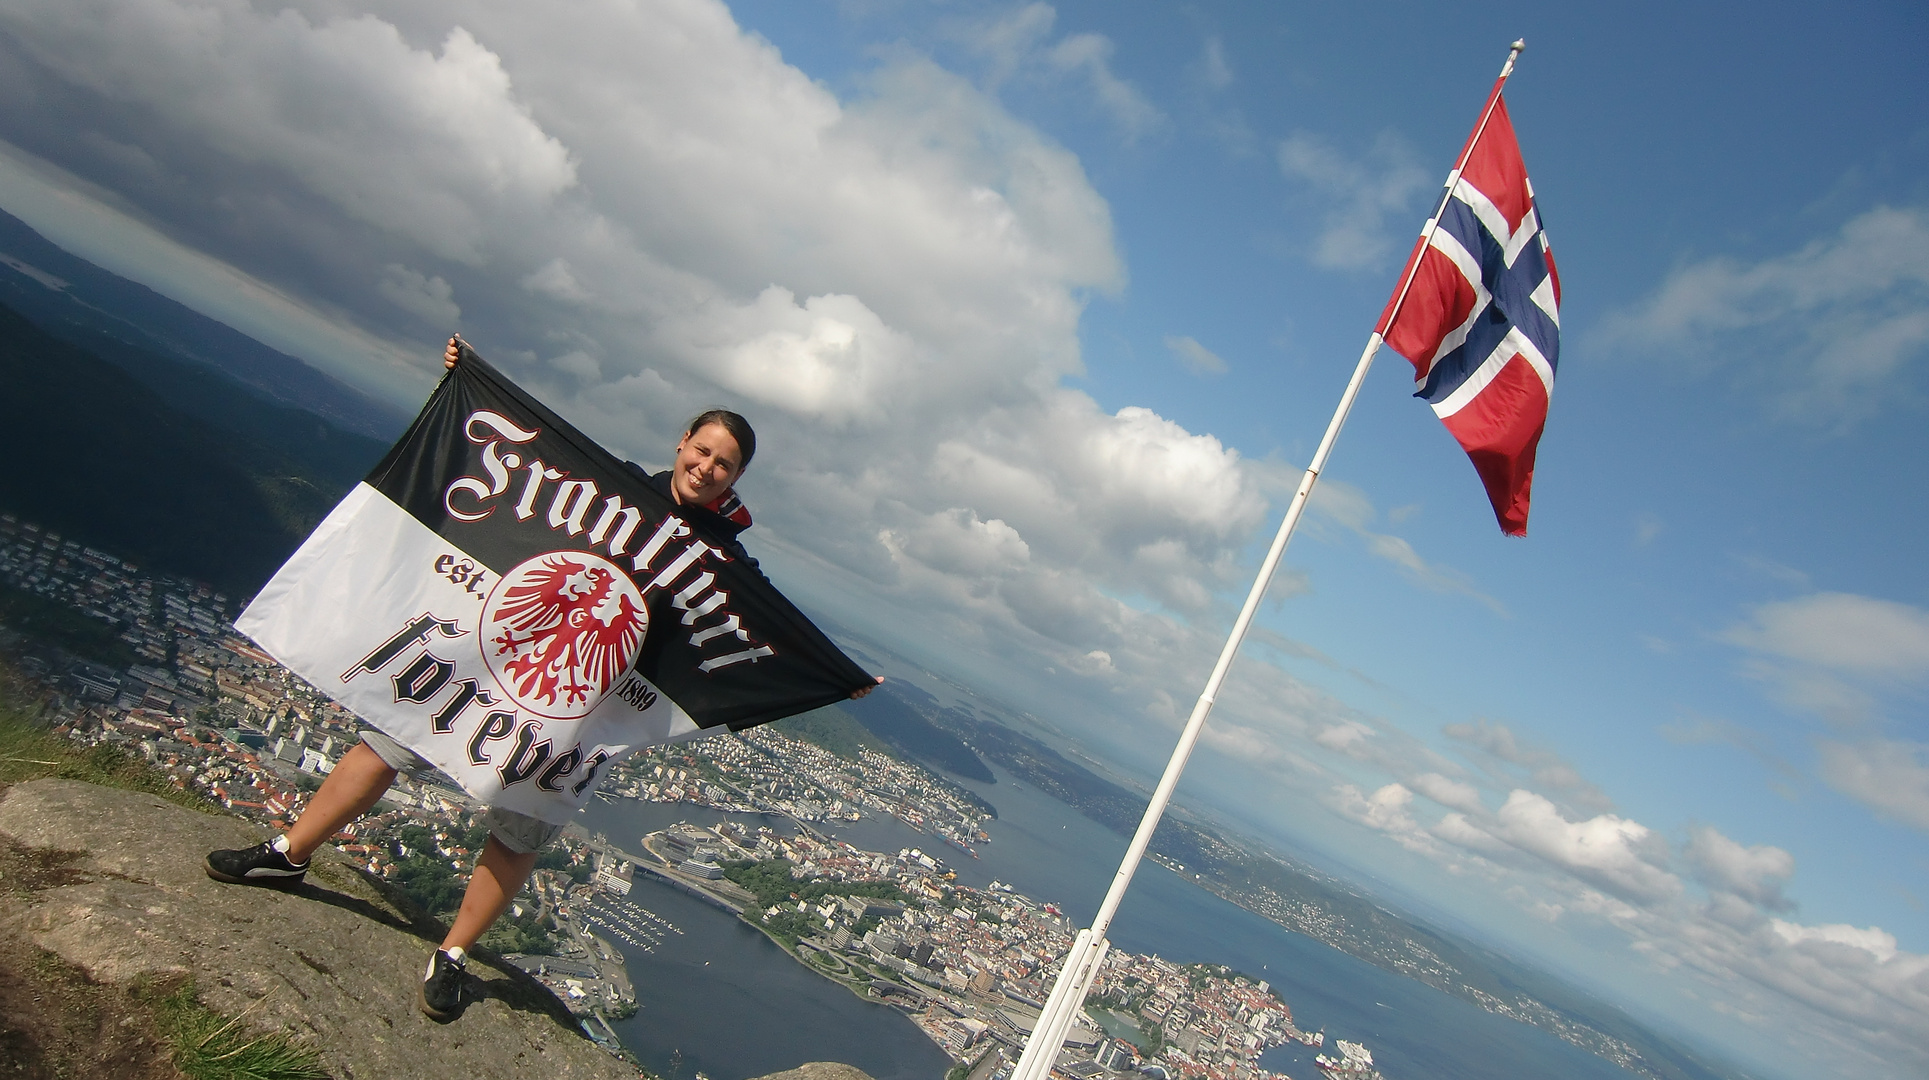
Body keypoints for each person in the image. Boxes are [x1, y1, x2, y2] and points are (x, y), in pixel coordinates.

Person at [206, 335, 876, 1021]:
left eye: (723, 464)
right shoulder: (607, 485)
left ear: (735, 480)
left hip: (579, 705)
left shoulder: (723, 560)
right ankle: (288, 852)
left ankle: (453, 954)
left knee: (522, 826)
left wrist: (833, 675)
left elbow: (764, 632)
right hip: (504, 660)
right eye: (701, 451)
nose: (706, 468)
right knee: (388, 739)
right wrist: (464, 375)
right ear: (681, 444)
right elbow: (530, 452)